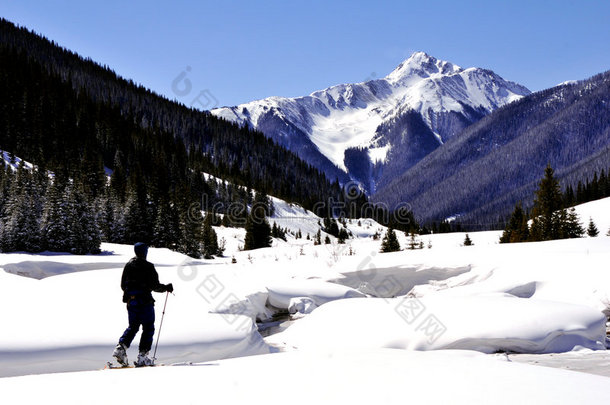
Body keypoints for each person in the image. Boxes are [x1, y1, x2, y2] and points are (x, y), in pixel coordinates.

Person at [112, 242, 173, 367]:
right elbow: (155, 286)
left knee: (133, 327)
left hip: (131, 302)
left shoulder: (128, 265)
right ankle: (143, 356)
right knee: (148, 327)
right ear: (145, 252)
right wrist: (166, 287)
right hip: (145, 302)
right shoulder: (148, 266)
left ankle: (120, 348)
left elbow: (123, 285)